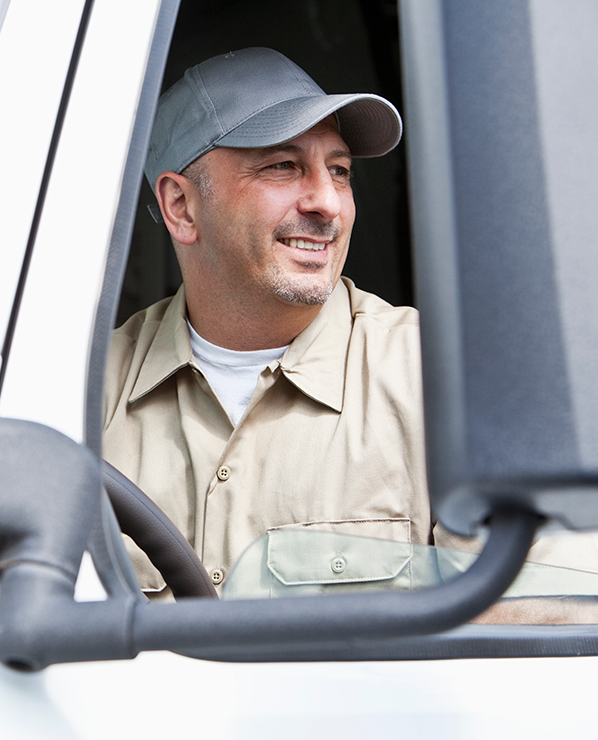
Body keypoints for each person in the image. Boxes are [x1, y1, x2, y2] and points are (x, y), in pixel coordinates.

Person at [103, 47, 423, 597]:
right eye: (283, 165)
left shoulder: (436, 375)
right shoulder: (80, 392)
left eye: (340, 171)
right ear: (181, 206)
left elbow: (560, 609)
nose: (328, 203)